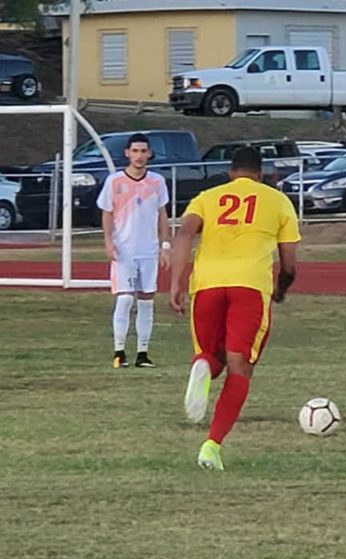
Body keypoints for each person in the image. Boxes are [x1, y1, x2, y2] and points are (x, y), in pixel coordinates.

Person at [169, 146, 300, 471]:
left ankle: (202, 366)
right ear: (261, 173)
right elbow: (289, 263)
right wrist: (281, 290)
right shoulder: (278, 200)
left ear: (230, 172)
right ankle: (212, 445)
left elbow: (184, 233)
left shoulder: (207, 197)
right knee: (239, 364)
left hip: (207, 284)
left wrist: (175, 282)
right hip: (250, 285)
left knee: (211, 355)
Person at [97, 132, 171, 369]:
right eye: (135, 151)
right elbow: (107, 213)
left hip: (148, 250)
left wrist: (165, 246)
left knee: (147, 300)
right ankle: (119, 351)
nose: (139, 156)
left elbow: (162, 215)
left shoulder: (157, 182)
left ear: (149, 153)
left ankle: (143, 353)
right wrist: (108, 241)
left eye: (143, 151)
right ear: (127, 153)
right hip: (124, 250)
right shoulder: (115, 181)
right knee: (126, 298)